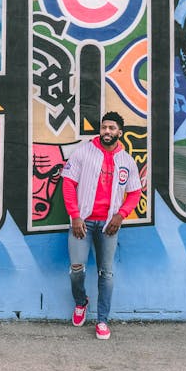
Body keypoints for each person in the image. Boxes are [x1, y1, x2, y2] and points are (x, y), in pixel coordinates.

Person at [60, 112, 143, 339]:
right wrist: (75, 216)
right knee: (77, 268)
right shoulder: (84, 152)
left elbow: (135, 192)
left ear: (120, 132)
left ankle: (102, 320)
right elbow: (68, 184)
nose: (107, 131)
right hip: (83, 222)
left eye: (112, 128)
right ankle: (81, 301)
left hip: (108, 226)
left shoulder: (126, 160)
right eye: (104, 127)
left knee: (106, 273)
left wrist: (121, 215)